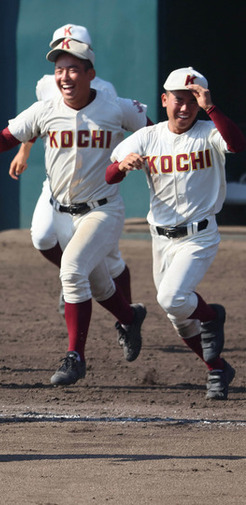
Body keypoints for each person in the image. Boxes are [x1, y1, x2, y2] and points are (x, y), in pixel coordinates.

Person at [0, 38, 148, 386]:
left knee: (72, 271)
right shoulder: (45, 108)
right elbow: (6, 138)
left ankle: (75, 356)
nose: (64, 76)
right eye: (59, 69)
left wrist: (140, 155)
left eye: (72, 69)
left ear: (90, 74)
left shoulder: (117, 108)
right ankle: (130, 317)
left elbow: (155, 134)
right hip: (61, 211)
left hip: (102, 210)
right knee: (99, 284)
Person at [107, 67, 245, 399]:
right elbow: (110, 175)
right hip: (161, 238)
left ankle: (212, 316)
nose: (184, 109)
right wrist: (123, 166)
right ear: (165, 99)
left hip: (199, 235)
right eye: (178, 101)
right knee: (179, 318)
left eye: (192, 102)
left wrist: (210, 106)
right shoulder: (147, 136)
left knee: (171, 297)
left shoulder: (209, 131)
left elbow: (237, 145)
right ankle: (217, 370)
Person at [10, 24, 130, 315]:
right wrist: (24, 148)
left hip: (95, 187)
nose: (64, 49)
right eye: (59, 45)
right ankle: (72, 274)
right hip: (58, 183)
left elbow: (121, 130)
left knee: (112, 261)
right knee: (41, 237)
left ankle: (126, 316)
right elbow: (38, 120)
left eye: (72, 44)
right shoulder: (46, 83)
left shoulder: (104, 91)